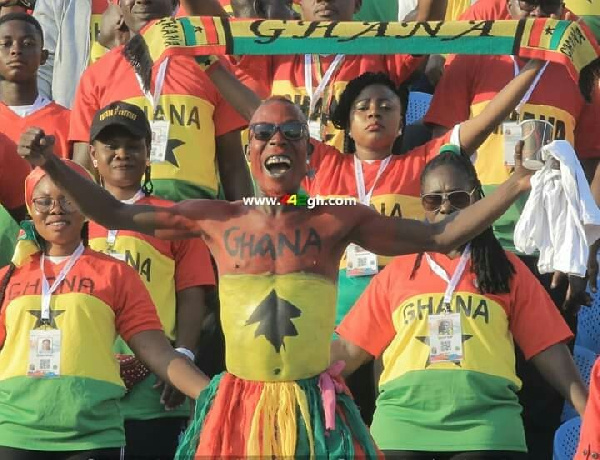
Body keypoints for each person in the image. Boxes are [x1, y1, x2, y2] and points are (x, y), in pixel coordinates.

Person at [20, 87, 536, 457]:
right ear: (248, 151)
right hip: (238, 406)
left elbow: (441, 236)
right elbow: (115, 215)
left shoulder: (338, 219)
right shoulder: (215, 218)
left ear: (309, 155)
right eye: (262, 132)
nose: (276, 142)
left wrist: (515, 185)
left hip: (312, 407)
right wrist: (56, 165)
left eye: (291, 133)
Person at [298, 60, 550, 423]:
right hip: (332, 324)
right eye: (363, 108)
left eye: (387, 107)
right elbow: (269, 126)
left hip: (397, 318)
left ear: (402, 123)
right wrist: (211, 62)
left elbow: (485, 123)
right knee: (333, 428)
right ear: (348, 125)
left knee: (380, 424)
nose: (375, 114)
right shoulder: (323, 165)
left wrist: (530, 69)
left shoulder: (421, 164)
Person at [332, 147, 588, 459]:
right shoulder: (396, 271)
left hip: (488, 431)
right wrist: (294, 380)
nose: (445, 208)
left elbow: (547, 348)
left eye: (458, 198)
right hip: (401, 429)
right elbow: (348, 350)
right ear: (422, 206)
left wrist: (589, 410)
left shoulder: (506, 269)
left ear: (477, 198)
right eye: (433, 200)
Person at [423, 3, 600, 455]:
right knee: (482, 372)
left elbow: (594, 159)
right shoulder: (479, 43)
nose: (530, 5)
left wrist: (587, 248)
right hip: (479, 245)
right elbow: (443, 150)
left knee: (542, 396)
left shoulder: (583, 49)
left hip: (553, 255)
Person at [0, 160, 210, 459]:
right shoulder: (9, 276)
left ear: (87, 208)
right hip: (15, 432)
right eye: (44, 201)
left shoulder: (116, 274)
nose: (56, 209)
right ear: (31, 211)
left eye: (68, 199)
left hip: (93, 437)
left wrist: (213, 395)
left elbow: (160, 353)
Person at [86, 101, 216, 458]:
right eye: (110, 145)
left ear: (149, 153)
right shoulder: (73, 219)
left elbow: (192, 295)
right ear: (93, 156)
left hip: (154, 383)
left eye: (133, 145)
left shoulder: (173, 219)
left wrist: (183, 356)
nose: (122, 154)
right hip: (90, 381)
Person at [70, 0, 252, 203]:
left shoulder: (212, 67)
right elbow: (83, 168)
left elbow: (233, 165)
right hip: (123, 222)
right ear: (119, 5)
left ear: (175, 3)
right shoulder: (96, 75)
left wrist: (248, 222)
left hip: (197, 221)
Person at [208, 0, 447, 151]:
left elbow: (427, 25)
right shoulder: (275, 50)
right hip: (290, 196)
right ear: (297, 3)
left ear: (358, 3)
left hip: (352, 196)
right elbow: (216, 26)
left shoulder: (379, 49)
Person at [0, 14, 70, 159]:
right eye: (6, 44)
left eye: (27, 43)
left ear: (43, 56)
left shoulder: (68, 121)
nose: (16, 50)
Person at [32, 0, 116, 109]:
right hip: (69, 117)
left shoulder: (139, 5)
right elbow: (41, 69)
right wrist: (43, 117)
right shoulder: (54, 2)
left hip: (128, 115)